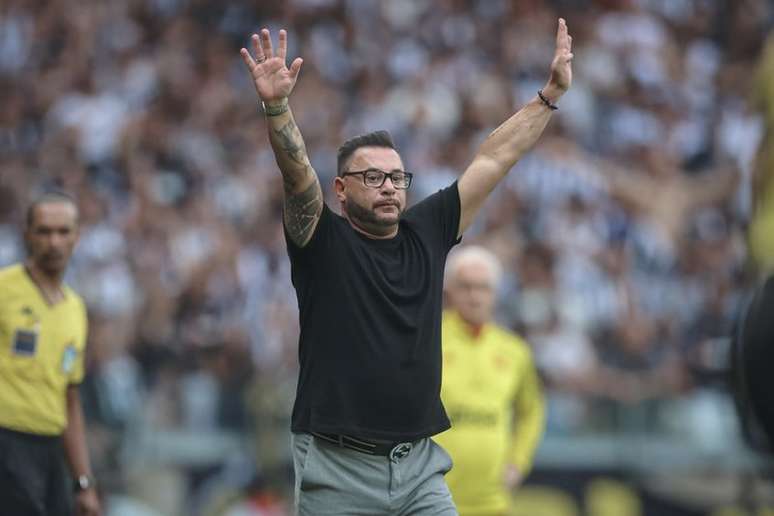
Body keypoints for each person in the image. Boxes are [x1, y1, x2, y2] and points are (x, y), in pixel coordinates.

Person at [239, 18, 572, 515]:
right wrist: (277, 106)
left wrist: (548, 96)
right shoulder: (321, 241)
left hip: (419, 468)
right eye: (373, 176)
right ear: (341, 189)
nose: (390, 186)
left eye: (398, 176)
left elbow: (494, 159)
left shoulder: (426, 232)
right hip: (338, 466)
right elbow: (296, 174)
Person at [0, 192, 101, 516]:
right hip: (6, 440)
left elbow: (70, 400)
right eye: (44, 231)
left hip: (50, 450)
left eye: (63, 231)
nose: (54, 242)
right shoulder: (4, 290)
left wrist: (83, 482)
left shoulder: (75, 309)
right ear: (27, 234)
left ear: (76, 237)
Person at [434, 246, 545, 516]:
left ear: (495, 293)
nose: (475, 297)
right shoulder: (428, 341)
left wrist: (518, 463)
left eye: (483, 288)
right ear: (450, 291)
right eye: (466, 287)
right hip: (433, 498)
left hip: (494, 501)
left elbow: (532, 411)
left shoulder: (514, 350)